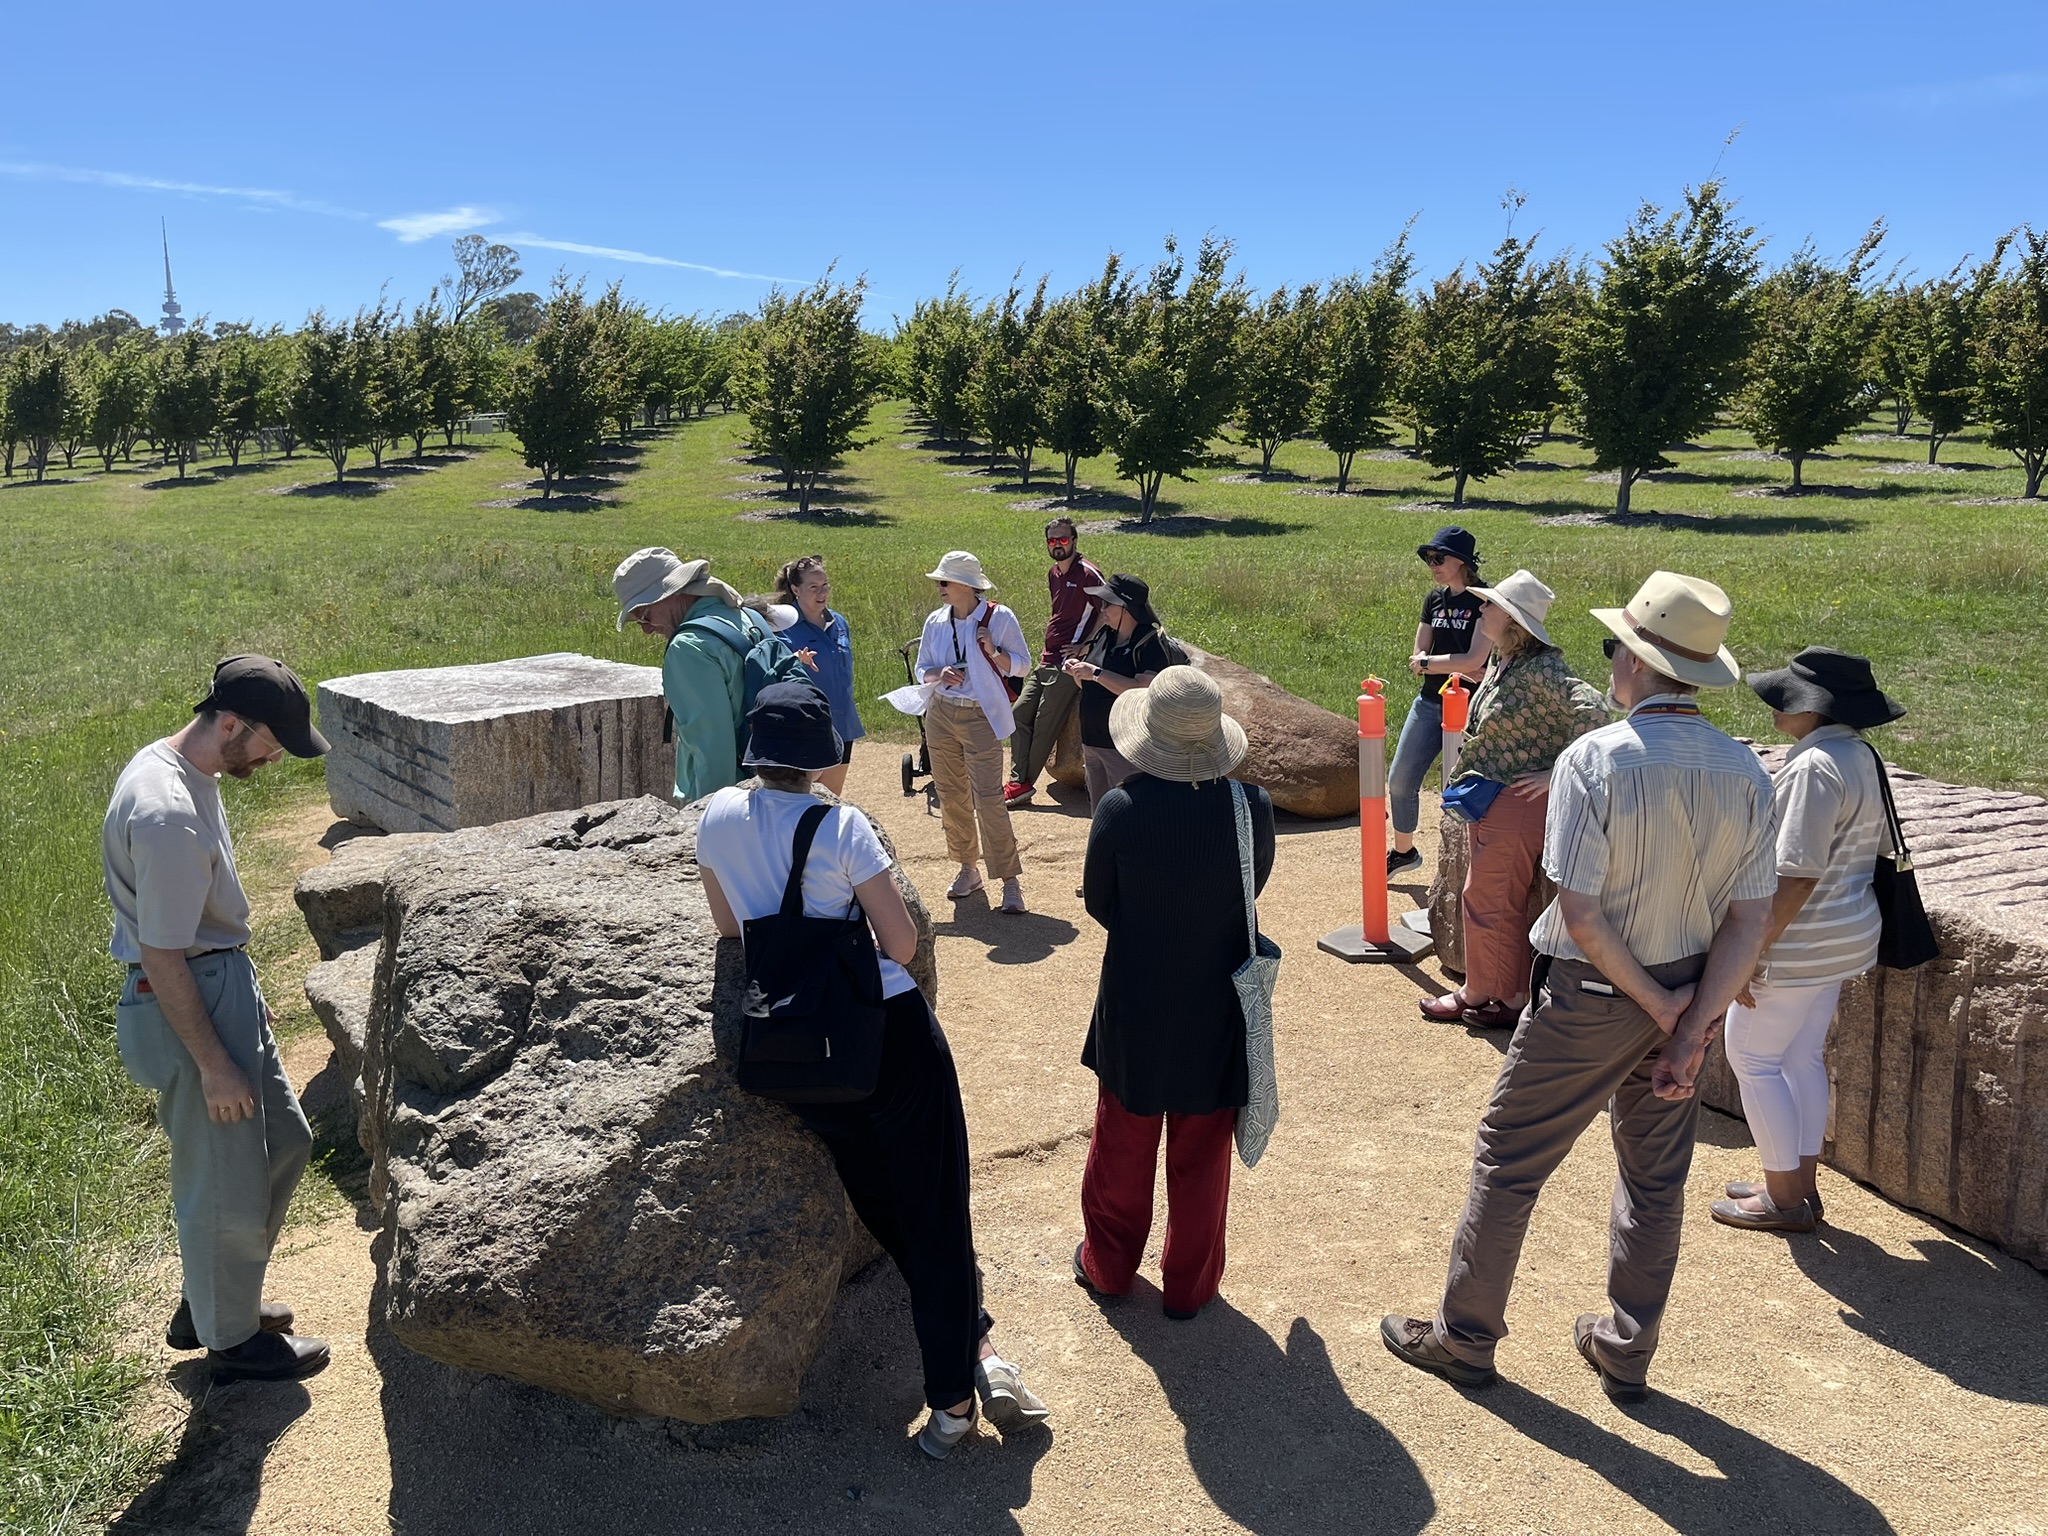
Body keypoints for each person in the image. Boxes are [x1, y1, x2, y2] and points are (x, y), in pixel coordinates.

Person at [1382, 571, 1778, 1404]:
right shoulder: (1745, 769)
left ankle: (1465, 1337)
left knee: (1509, 1158)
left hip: (1598, 993)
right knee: (1655, 1177)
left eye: (1615, 647)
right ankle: (1627, 1349)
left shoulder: (1594, 759)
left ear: (1634, 661)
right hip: (1688, 989)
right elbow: (1748, 921)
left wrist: (1666, 1008)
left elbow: (1585, 916)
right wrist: (1692, 1020)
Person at [694, 683, 1050, 1458]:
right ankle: (953, 1401)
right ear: (823, 754)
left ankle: (978, 1348)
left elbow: (731, 928)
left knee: (886, 1208)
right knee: (938, 1214)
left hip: (792, 1054)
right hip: (882, 1037)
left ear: (755, 752)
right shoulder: (841, 825)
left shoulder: (716, 817)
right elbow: (900, 946)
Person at [102, 656, 332, 1383]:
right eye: (269, 744)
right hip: (186, 998)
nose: (273, 758)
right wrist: (215, 1061)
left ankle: (210, 1297)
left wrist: (242, 989)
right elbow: (163, 954)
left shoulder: (191, 774)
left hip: (216, 979)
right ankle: (230, 1341)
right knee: (226, 1175)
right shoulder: (166, 812)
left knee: (282, 1143)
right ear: (230, 723)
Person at [1074, 666, 1273, 1321]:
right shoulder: (1252, 809)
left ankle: (1108, 1266)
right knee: (1202, 1155)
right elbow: (1252, 889)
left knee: (1122, 1147)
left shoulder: (1121, 809)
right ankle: (1190, 1286)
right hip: (1217, 999)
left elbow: (1103, 904)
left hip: (1136, 998)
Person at [1711, 648, 1901, 1234]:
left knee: (1753, 1057)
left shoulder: (1814, 766)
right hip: (1844, 934)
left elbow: (1794, 873)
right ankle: (1795, 1182)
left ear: (1813, 708)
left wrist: (1750, 953)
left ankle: (1784, 1199)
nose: (1776, 706)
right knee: (1799, 1057)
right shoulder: (1857, 753)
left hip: (1799, 940)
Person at [1418, 570, 1606, 1029]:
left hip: (1515, 801)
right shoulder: (1509, 661)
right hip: (1495, 797)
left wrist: (1555, 771)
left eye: (1491, 605)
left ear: (1514, 621)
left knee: (1490, 897)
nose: (1481, 609)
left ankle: (1499, 995)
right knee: (1485, 895)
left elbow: (1596, 710)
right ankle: (1492, 990)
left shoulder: (1541, 668)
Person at [914, 551, 1032, 913]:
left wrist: (994, 653)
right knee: (951, 795)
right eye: (939, 581)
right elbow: (923, 669)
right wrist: (941, 674)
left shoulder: (1000, 617)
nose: (939, 587)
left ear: (966, 585)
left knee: (989, 798)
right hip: (942, 714)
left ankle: (1010, 882)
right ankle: (968, 869)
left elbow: (1024, 665)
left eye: (945, 582)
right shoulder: (936, 621)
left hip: (981, 716)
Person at [613, 548, 778, 803]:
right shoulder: (744, 615)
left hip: (734, 804)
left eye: (644, 615)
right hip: (775, 786)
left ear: (672, 593)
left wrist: (707, 822)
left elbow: (713, 753)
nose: (646, 629)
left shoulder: (688, 648)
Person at [1388, 528, 1492, 878]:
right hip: (1430, 701)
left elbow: (1476, 658)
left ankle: (1463, 863)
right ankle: (1404, 852)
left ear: (1461, 561)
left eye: (1439, 558)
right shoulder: (1434, 598)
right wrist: (1442, 662)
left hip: (1471, 710)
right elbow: (1419, 652)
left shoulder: (1486, 599)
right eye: (1428, 559)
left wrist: (1432, 662)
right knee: (1400, 780)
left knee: (1461, 790)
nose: (1432, 565)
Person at [1002, 517, 1106, 807]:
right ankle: (1017, 779)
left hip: (1069, 663)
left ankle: (1022, 784)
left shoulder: (1088, 573)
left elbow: (1109, 611)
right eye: (1052, 540)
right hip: (1047, 659)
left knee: (1045, 723)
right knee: (1019, 714)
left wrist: (1086, 646)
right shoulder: (1053, 573)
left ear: (1074, 540)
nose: (1057, 545)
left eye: (1063, 539)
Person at [1063, 573, 1185, 810]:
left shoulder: (1149, 643)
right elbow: (1090, 684)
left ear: (1126, 608)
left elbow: (1142, 688)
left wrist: (1096, 673)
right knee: (1101, 814)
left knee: (1130, 815)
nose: (1103, 609)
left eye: (1108, 603)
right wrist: (1079, 673)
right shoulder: (1104, 635)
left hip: (1125, 746)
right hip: (1093, 740)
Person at [774, 554, 864, 798]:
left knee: (831, 801)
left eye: (825, 585)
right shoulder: (780, 625)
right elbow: (772, 673)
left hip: (842, 724)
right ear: (795, 589)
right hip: (805, 728)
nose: (821, 592)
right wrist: (794, 661)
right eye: (813, 587)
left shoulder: (839, 622)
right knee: (800, 802)